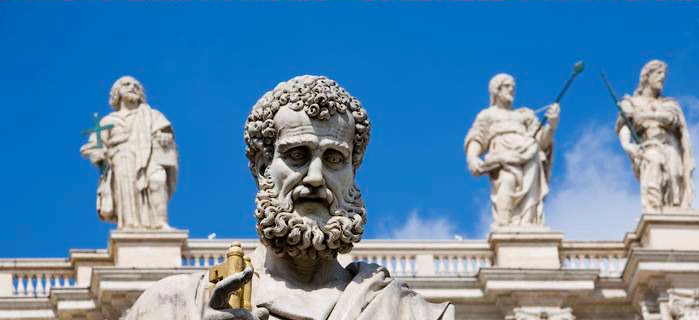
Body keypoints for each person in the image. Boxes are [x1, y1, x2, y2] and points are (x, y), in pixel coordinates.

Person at [124, 75, 454, 320]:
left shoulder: (407, 313)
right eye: (297, 154)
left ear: (353, 171)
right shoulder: (175, 306)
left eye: (334, 159)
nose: (315, 177)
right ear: (261, 167)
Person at [80, 76, 177, 230]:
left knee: (158, 181)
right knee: (127, 189)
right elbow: (94, 145)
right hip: (122, 158)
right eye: (127, 84)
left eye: (136, 86)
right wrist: (98, 154)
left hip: (149, 156)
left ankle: (160, 223)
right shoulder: (109, 121)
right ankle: (129, 226)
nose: (132, 87)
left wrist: (164, 136)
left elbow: (164, 133)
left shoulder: (152, 115)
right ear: (117, 92)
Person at [464, 73, 559, 228]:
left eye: (513, 87)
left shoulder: (525, 115)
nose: (512, 90)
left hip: (529, 154)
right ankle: (504, 224)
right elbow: (477, 137)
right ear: (497, 90)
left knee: (531, 193)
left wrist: (552, 124)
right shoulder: (488, 115)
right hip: (503, 155)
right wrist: (472, 157)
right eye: (507, 86)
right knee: (507, 181)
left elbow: (542, 141)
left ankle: (527, 224)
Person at [616, 60, 694, 211]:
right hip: (648, 146)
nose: (662, 77)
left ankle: (674, 214)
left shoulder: (668, 103)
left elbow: (672, 118)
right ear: (647, 77)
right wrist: (627, 146)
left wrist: (645, 115)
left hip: (670, 144)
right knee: (654, 161)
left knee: (674, 176)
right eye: (658, 74)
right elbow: (624, 126)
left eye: (663, 75)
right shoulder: (630, 102)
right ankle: (654, 211)